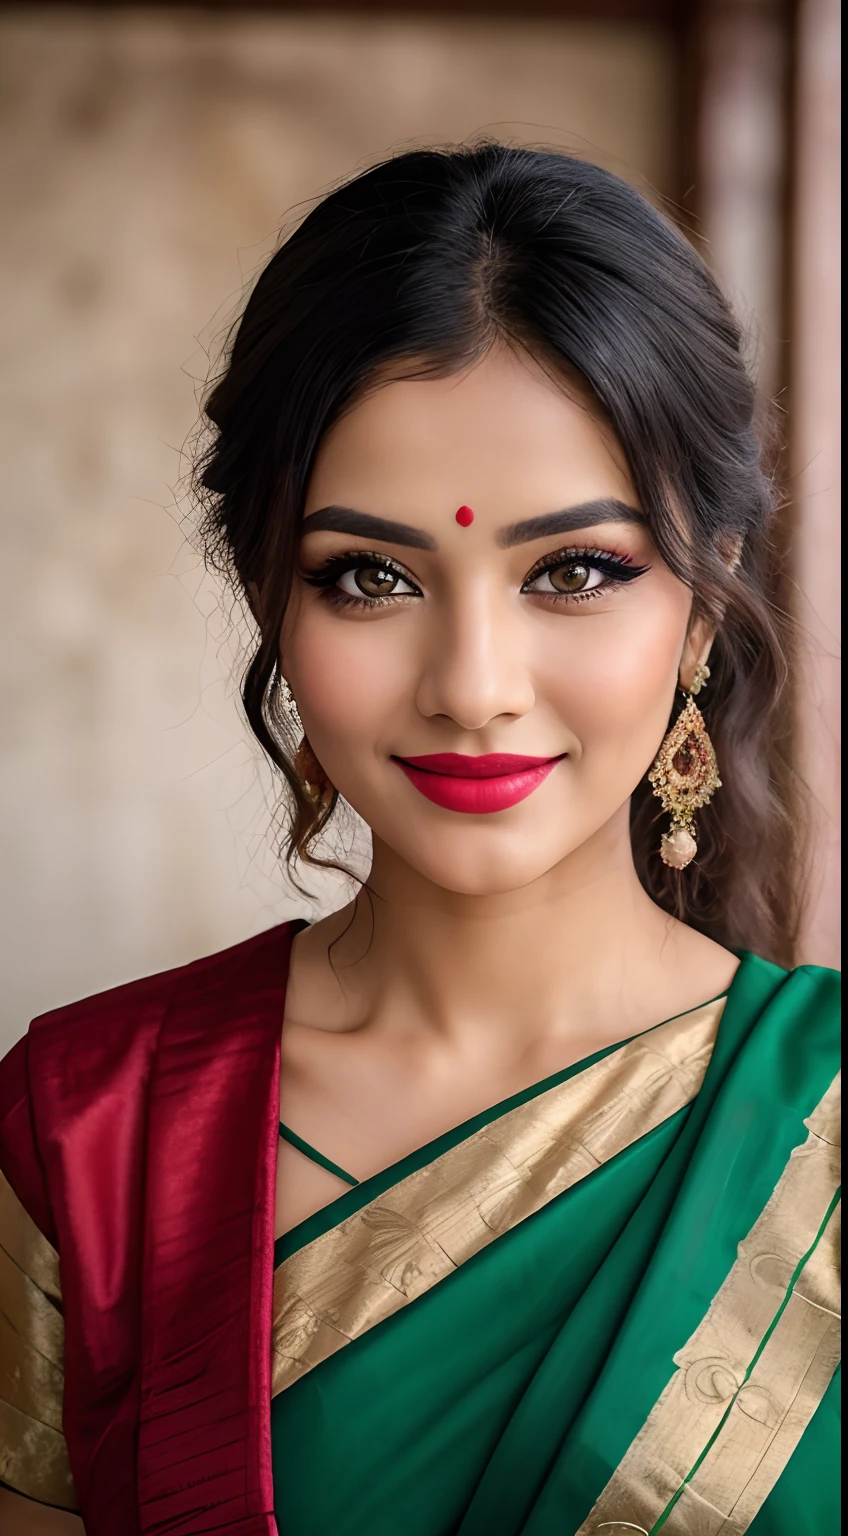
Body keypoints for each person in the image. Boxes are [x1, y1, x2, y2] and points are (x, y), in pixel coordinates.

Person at [0, 145, 839, 1536]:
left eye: (575, 570)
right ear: (274, 600)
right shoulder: (93, 1125)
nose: (473, 681)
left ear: (703, 602)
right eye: (371, 576)